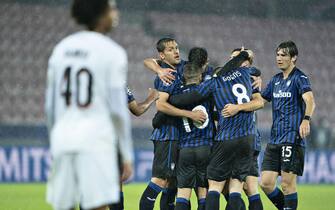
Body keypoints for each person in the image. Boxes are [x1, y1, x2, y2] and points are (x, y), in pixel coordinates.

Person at [45, 1, 133, 210]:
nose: (115, 13)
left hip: (63, 138)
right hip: (96, 140)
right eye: (111, 8)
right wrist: (126, 154)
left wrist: (54, 138)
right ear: (101, 15)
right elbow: (118, 110)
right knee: (98, 205)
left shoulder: (62, 48)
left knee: (63, 205)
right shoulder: (113, 52)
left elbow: (50, 105)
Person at [139, 38, 207, 210]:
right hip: (168, 134)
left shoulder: (185, 67)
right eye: (170, 50)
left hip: (181, 136)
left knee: (174, 183)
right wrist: (189, 114)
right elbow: (161, 105)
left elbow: (212, 70)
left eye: (176, 48)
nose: (176, 51)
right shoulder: (165, 75)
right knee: (161, 180)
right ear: (162, 55)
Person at [260, 41, 315, 210]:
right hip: (275, 138)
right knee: (266, 183)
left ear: (294, 58)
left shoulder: (300, 77)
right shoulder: (275, 80)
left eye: (283, 55)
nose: (279, 58)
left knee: (286, 184)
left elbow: (310, 100)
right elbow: (261, 102)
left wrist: (306, 119)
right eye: (277, 54)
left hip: (292, 138)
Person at [222, 48, 263, 210]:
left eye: (236, 58)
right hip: (240, 139)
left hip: (244, 138)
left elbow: (259, 103)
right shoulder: (229, 78)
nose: (232, 61)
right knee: (247, 188)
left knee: (237, 187)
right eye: (231, 58)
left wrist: (237, 108)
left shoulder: (249, 78)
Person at [109, 87, 159, 210]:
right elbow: (137, 110)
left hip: (88, 141)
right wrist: (151, 97)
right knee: (116, 183)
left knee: (89, 183)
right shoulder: (118, 83)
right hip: (110, 140)